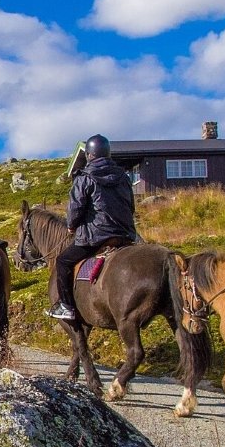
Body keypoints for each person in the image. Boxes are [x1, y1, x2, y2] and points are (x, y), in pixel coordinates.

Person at [46, 134, 139, 320]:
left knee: (63, 261)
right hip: (125, 235)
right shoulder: (123, 177)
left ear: (89, 155)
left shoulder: (84, 177)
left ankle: (66, 306)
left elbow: (76, 208)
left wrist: (71, 226)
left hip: (96, 236)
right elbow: (131, 207)